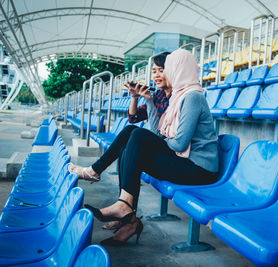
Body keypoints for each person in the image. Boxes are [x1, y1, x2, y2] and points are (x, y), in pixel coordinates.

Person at [85, 49, 219, 247]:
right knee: (130, 143)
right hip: (183, 159)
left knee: (136, 135)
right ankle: (128, 218)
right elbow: (160, 134)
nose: (163, 74)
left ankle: (121, 204)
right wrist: (148, 112)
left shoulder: (193, 97)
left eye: (168, 68)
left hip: (199, 169)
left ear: (180, 69)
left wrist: (153, 142)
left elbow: (179, 143)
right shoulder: (178, 97)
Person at [68, 52, 171, 229]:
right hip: (157, 144)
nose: (156, 75)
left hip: (169, 149)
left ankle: (96, 173)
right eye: (154, 71)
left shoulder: (178, 97)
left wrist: (149, 101)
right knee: (126, 148)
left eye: (161, 71)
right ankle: (126, 214)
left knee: (133, 136)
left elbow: (157, 132)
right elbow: (134, 117)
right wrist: (135, 97)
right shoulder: (159, 95)